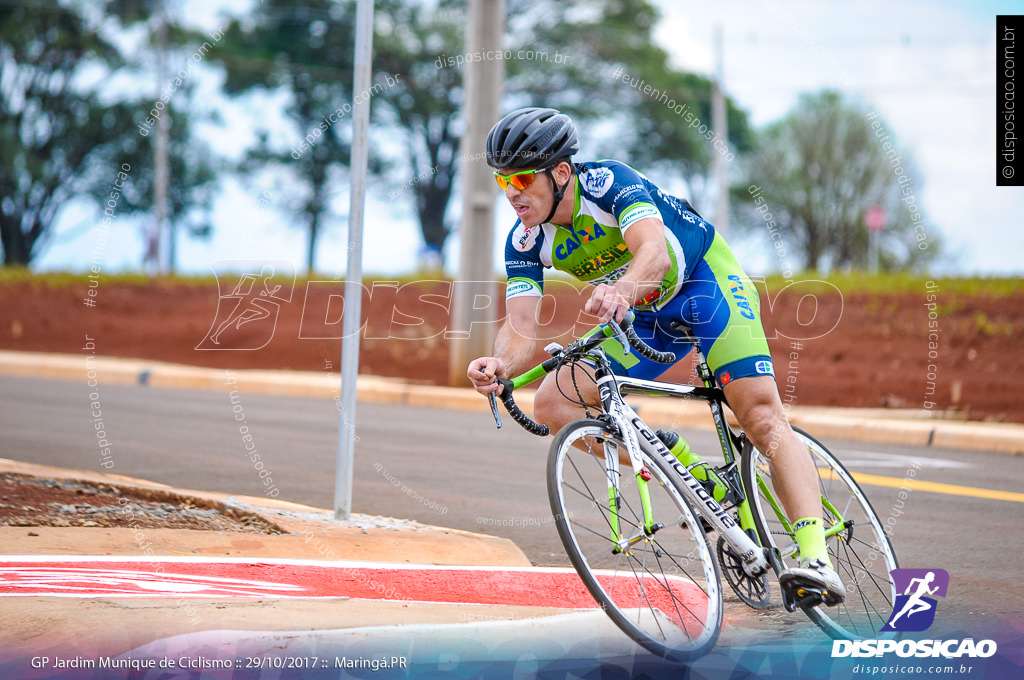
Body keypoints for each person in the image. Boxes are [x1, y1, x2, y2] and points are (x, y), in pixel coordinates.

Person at [466, 107, 845, 603]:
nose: (513, 192)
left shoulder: (607, 183)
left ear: (561, 172)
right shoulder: (523, 240)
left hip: (705, 288)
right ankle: (690, 470)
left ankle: (816, 558)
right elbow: (520, 324)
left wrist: (621, 289)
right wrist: (499, 364)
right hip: (643, 316)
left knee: (758, 413)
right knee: (555, 404)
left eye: (521, 178)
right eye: (501, 182)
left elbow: (654, 253)